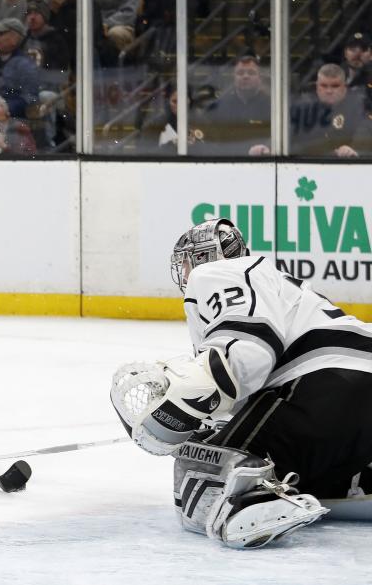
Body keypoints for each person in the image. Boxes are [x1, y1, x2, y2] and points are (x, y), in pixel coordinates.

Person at [109, 217, 372, 548]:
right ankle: (358, 477)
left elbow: (248, 353)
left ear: (204, 257)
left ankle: (251, 501)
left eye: (187, 262)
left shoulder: (219, 273)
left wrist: (188, 398)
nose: (186, 272)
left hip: (323, 384)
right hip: (353, 389)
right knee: (296, 470)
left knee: (206, 466)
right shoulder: (272, 282)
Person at [193, 55, 271, 156]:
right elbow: (209, 140)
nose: (245, 76)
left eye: (251, 73)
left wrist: (268, 148)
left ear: (260, 78)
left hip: (262, 163)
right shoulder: (219, 106)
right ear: (234, 77)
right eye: (240, 73)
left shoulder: (272, 106)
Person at [290, 63, 372, 157]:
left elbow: (366, 135)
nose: (329, 91)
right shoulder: (304, 108)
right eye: (324, 86)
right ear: (317, 87)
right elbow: (288, 137)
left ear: (344, 87)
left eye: (335, 86)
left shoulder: (359, 106)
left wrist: (355, 150)